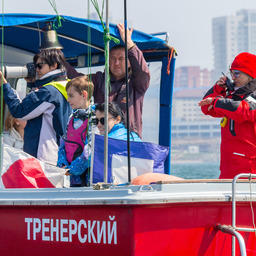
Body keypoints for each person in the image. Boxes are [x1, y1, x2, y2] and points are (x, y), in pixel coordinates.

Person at [67, 23, 150, 138]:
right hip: (102, 139)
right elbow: (77, 80)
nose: (116, 63)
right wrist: (60, 60)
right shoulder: (99, 79)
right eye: (112, 59)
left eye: (121, 59)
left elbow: (143, 72)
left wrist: (130, 44)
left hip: (127, 143)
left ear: (130, 62)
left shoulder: (136, 83)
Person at [0, 49, 72, 165]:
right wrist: (33, 84)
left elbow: (19, 111)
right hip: (58, 154)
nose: (37, 70)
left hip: (42, 156)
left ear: (54, 65)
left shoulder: (48, 92)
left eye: (39, 66)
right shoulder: (66, 87)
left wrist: (4, 85)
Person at [199, 52, 256, 179]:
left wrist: (217, 101)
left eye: (237, 73)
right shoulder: (232, 97)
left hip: (250, 171)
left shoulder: (251, 97)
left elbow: (242, 110)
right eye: (231, 73)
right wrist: (218, 89)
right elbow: (206, 108)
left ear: (250, 75)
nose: (233, 77)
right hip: (228, 168)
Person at [57, 75, 95, 187]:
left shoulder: (94, 117)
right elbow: (63, 142)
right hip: (72, 177)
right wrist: (62, 163)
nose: (68, 100)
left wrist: (73, 168)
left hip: (87, 178)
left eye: (71, 96)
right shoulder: (71, 117)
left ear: (84, 95)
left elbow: (91, 149)